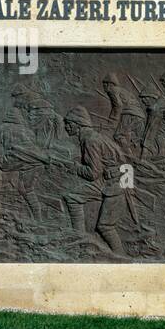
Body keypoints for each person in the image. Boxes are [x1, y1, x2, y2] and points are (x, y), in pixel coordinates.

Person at [61, 107, 130, 256]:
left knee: (105, 226)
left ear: (77, 125)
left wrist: (73, 168)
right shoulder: (96, 137)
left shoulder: (90, 141)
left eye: (68, 123)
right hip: (113, 180)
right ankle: (80, 241)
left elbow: (93, 173)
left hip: (115, 183)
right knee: (73, 197)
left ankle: (121, 257)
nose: (65, 126)